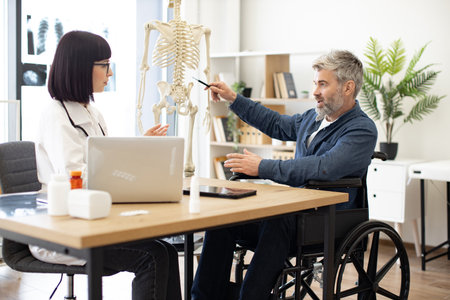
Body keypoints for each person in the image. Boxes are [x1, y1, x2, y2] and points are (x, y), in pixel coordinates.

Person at [191, 50, 378, 300]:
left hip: (327, 219)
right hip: (294, 212)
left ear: (348, 87)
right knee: (223, 219)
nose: (315, 91)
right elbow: (275, 123)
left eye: (323, 84)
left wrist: (262, 167)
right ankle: (203, 296)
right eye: (315, 83)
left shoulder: (362, 129)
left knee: (278, 218)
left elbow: (324, 167)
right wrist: (233, 98)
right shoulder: (314, 118)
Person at [33, 30, 181, 300]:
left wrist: (138, 148)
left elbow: (105, 165)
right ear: (81, 67)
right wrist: (128, 159)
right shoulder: (55, 116)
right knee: (153, 256)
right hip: (62, 230)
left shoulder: (92, 111)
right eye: (104, 65)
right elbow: (77, 177)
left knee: (167, 250)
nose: (109, 73)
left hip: (94, 219)